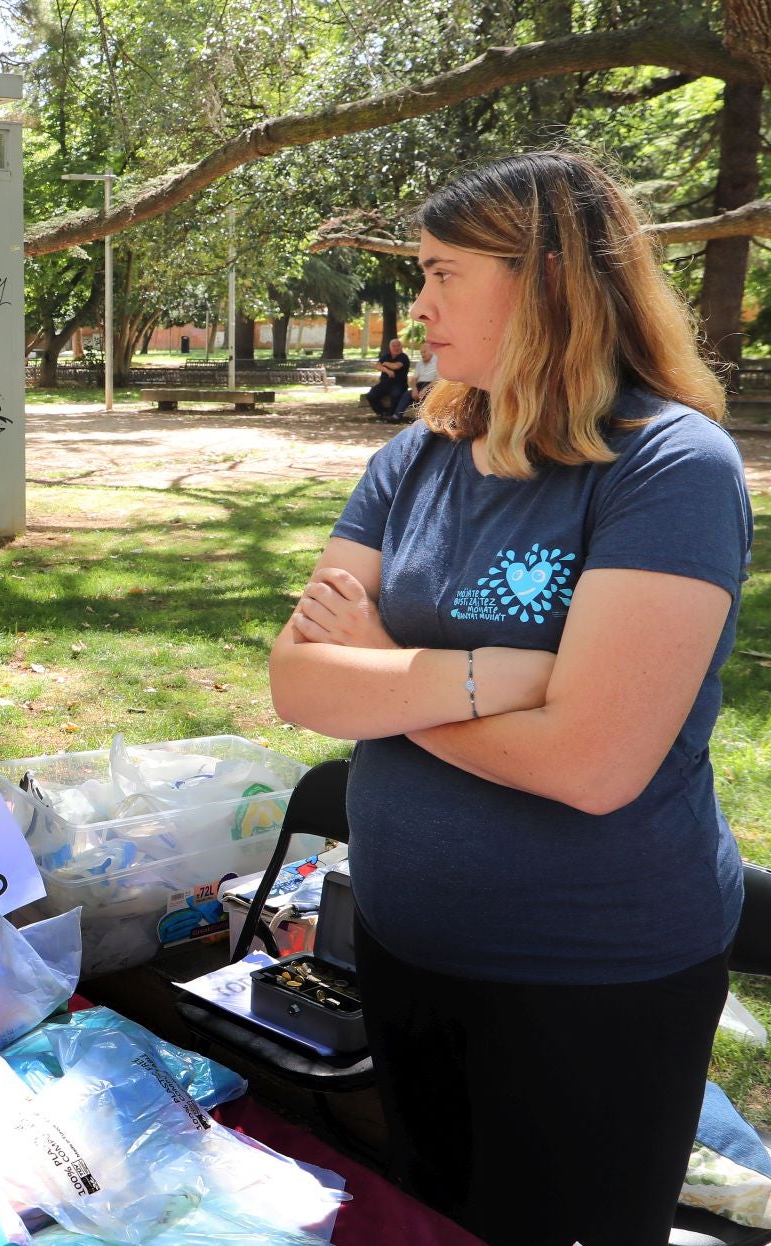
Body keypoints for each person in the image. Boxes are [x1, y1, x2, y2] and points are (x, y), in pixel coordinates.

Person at [269, 152, 748, 1246]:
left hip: (592, 978)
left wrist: (383, 671)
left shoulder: (670, 467)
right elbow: (299, 681)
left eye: (443, 273)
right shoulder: (415, 457)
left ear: (546, 278)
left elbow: (591, 764)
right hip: (407, 951)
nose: (418, 305)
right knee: (437, 1218)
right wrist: (494, 679)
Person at [364, 336, 410, 418]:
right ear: (390, 347)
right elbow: (377, 366)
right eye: (394, 346)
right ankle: (382, 413)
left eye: (398, 346)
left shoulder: (403, 357)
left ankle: (392, 415)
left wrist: (385, 363)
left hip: (399, 384)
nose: (396, 348)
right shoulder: (386, 356)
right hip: (384, 384)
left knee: (396, 395)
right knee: (370, 395)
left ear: (401, 347)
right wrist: (387, 370)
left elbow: (396, 366)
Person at [392, 342, 435, 420]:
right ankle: (396, 416)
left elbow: (438, 379)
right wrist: (414, 388)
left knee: (428, 396)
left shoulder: (438, 362)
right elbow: (414, 378)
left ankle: (424, 420)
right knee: (407, 394)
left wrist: (426, 389)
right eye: (421, 352)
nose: (422, 354)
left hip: (432, 385)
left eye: (424, 352)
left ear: (431, 350)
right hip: (419, 385)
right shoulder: (420, 363)